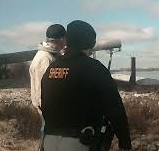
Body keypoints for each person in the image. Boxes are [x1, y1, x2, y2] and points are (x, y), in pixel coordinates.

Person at [41, 20, 132, 151]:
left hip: (49, 141)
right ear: (88, 43)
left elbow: (45, 104)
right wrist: (125, 142)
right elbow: (115, 109)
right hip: (79, 142)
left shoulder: (51, 68)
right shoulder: (94, 68)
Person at [29, 24, 66, 151]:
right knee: (48, 137)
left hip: (49, 107)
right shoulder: (44, 59)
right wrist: (49, 108)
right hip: (48, 108)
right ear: (60, 39)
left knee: (50, 137)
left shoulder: (50, 55)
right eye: (65, 39)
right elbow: (43, 89)